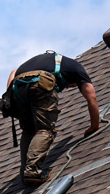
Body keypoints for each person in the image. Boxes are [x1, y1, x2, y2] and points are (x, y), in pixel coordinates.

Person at [6, 51, 99, 184]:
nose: (67, 88)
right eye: (71, 85)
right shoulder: (77, 69)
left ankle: (24, 172)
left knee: (28, 130)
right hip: (38, 82)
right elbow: (92, 98)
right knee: (45, 129)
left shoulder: (47, 61)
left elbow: (14, 72)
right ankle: (32, 171)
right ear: (75, 81)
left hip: (17, 87)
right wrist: (94, 126)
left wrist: (9, 95)